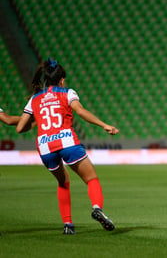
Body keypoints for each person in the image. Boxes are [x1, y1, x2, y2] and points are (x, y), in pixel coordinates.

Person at [16, 58, 119, 235]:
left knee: (63, 183)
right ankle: (97, 208)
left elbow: (19, 128)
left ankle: (68, 225)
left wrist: (36, 122)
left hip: (45, 146)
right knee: (91, 179)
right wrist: (104, 125)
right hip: (66, 141)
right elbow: (81, 111)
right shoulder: (67, 92)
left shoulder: (35, 98)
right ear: (62, 80)